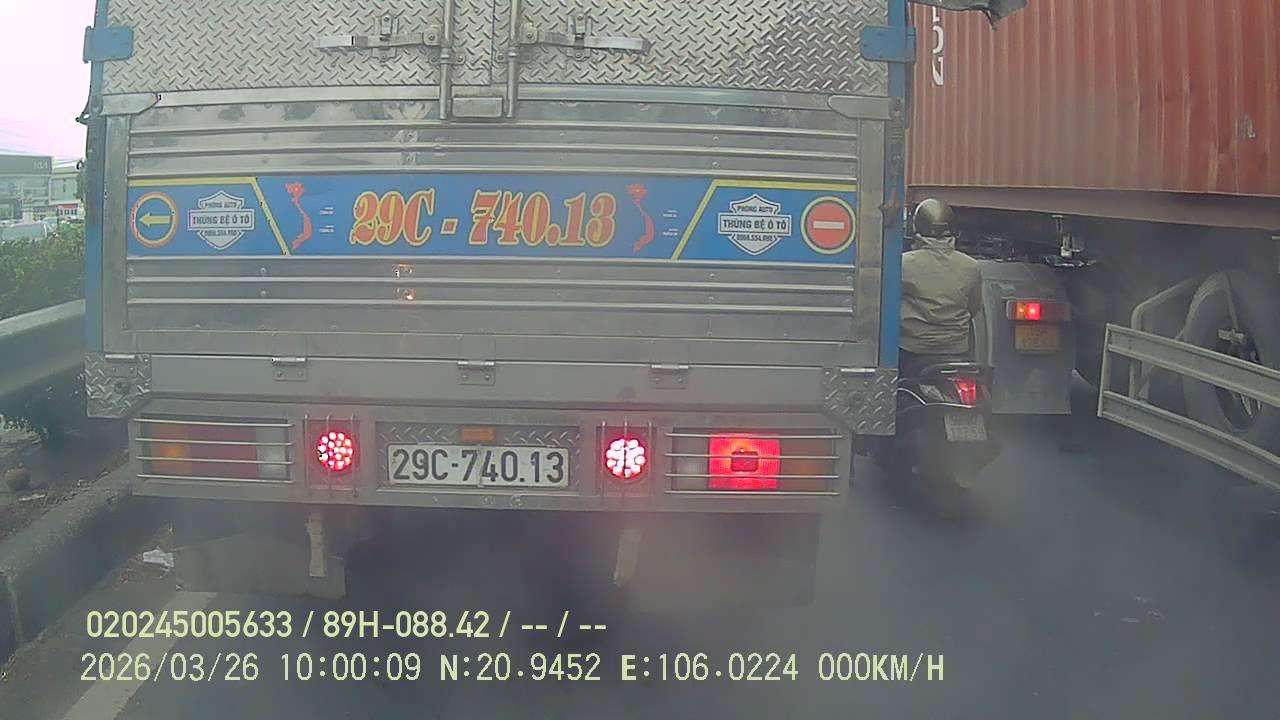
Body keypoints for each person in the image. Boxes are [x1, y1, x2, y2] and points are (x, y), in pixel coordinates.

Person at [899, 198, 983, 377]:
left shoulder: (904, 264)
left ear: (916, 229)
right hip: (956, 349)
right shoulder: (971, 266)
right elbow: (974, 308)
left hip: (912, 349)